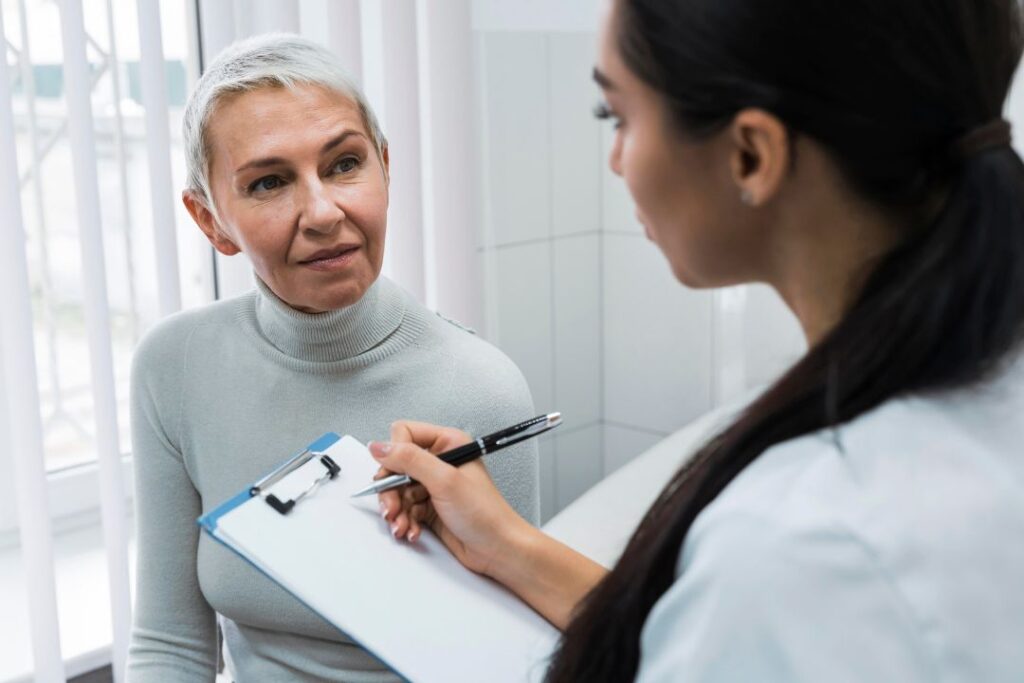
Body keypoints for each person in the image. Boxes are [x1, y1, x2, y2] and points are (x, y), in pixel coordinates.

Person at [371, 0, 1024, 680]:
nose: (618, 161)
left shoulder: (798, 546)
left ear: (750, 154)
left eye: (617, 117)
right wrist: (506, 543)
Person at [126, 34, 539, 682]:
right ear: (210, 222)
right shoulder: (173, 368)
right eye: (268, 181)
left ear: (385, 165)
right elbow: (169, 646)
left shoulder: (480, 388)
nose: (322, 211)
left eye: (344, 164)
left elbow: (512, 661)